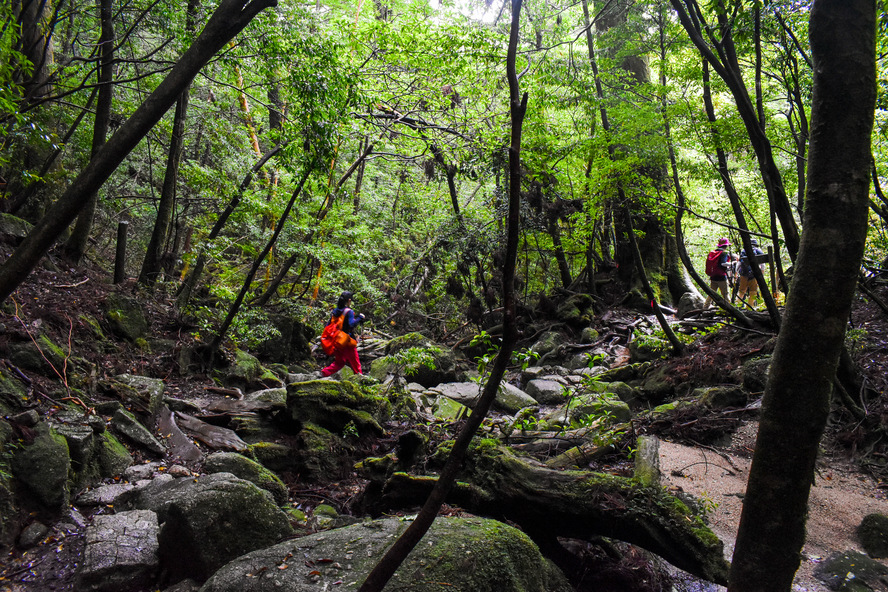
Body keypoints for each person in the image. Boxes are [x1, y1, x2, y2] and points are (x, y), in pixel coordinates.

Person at [321, 291, 366, 376]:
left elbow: (329, 324)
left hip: (337, 340)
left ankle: (324, 373)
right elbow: (351, 324)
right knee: (355, 362)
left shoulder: (336, 311)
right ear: (349, 300)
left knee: (339, 362)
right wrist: (360, 318)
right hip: (346, 341)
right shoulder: (348, 311)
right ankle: (360, 378)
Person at [703, 238, 732, 308]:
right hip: (721, 277)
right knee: (725, 294)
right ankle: (730, 310)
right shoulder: (724, 253)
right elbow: (723, 264)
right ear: (726, 246)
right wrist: (732, 263)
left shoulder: (713, 253)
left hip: (713, 277)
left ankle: (705, 308)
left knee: (711, 294)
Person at [737, 238, 765, 309]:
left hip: (744, 274)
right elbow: (762, 264)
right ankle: (749, 307)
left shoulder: (744, 251)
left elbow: (739, 263)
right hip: (754, 274)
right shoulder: (758, 251)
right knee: (753, 292)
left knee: (741, 291)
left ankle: (737, 306)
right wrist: (761, 274)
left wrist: (737, 273)